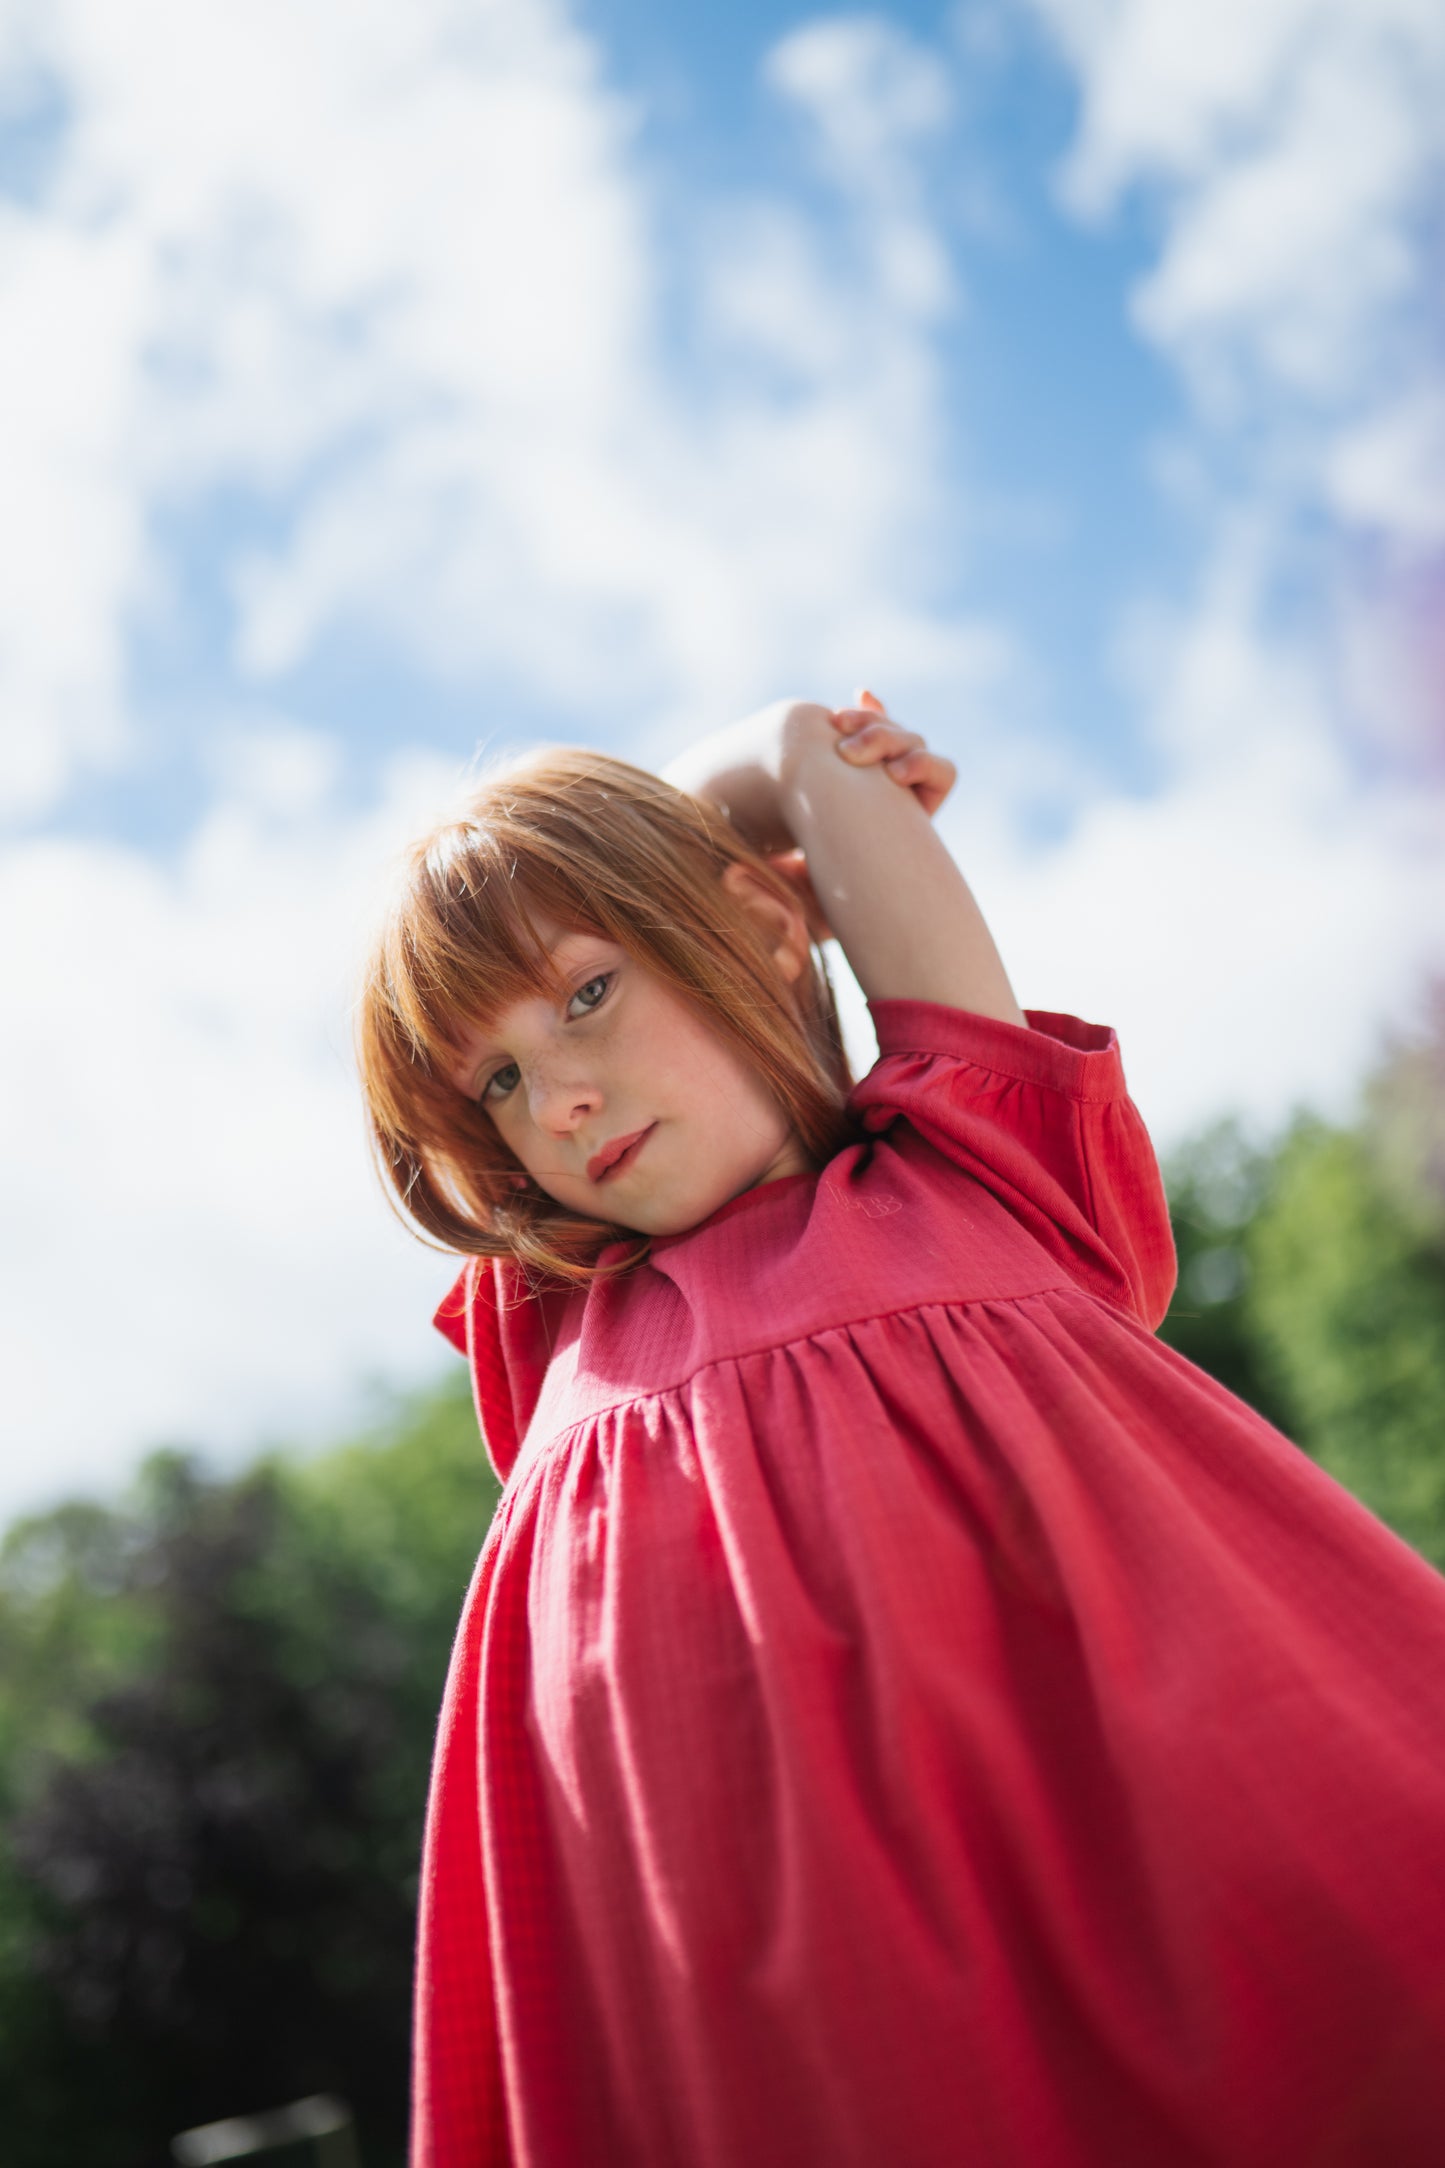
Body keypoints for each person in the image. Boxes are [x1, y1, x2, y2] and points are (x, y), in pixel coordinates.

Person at [356, 693, 1445, 2168]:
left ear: (750, 924)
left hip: (1151, 1860)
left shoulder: (966, 1172)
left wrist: (781, 764)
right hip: (765, 2028)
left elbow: (803, 775)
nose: (557, 1097)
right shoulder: (562, 1315)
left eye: (587, 994)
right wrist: (638, 898)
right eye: (497, 1081)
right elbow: (538, 1008)